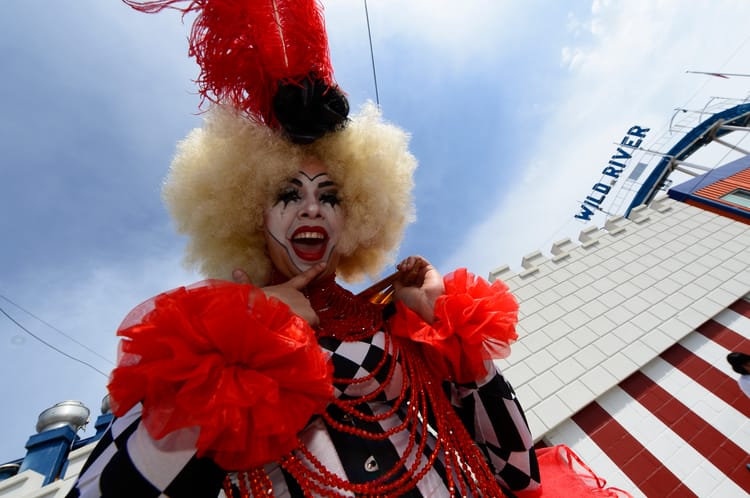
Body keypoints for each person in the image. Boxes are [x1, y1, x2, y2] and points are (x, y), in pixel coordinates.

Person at [67, 1, 631, 497]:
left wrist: (444, 325)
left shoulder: (398, 326)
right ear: (246, 212)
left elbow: (518, 474)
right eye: (288, 193)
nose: (311, 208)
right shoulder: (203, 338)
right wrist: (249, 339)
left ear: (356, 212)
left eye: (330, 195)